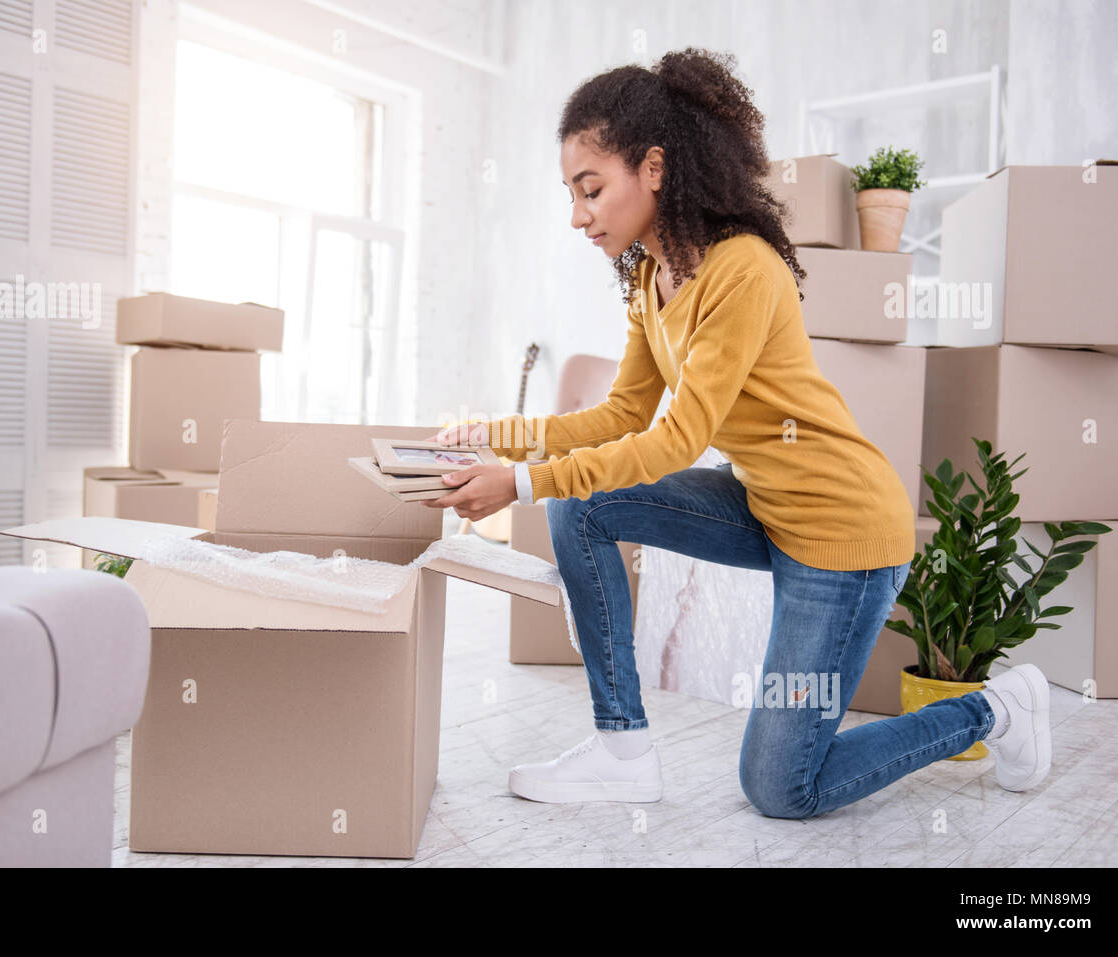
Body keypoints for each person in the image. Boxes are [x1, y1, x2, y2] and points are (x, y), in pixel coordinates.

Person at [421, 47, 1050, 818]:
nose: (578, 214)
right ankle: (623, 749)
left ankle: (997, 710)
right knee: (580, 507)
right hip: (764, 507)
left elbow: (677, 440)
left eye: (591, 189)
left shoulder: (744, 270)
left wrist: (515, 484)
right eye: (572, 194)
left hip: (840, 536)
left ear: (654, 168)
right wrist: (497, 433)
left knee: (783, 786)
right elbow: (622, 417)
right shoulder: (652, 281)